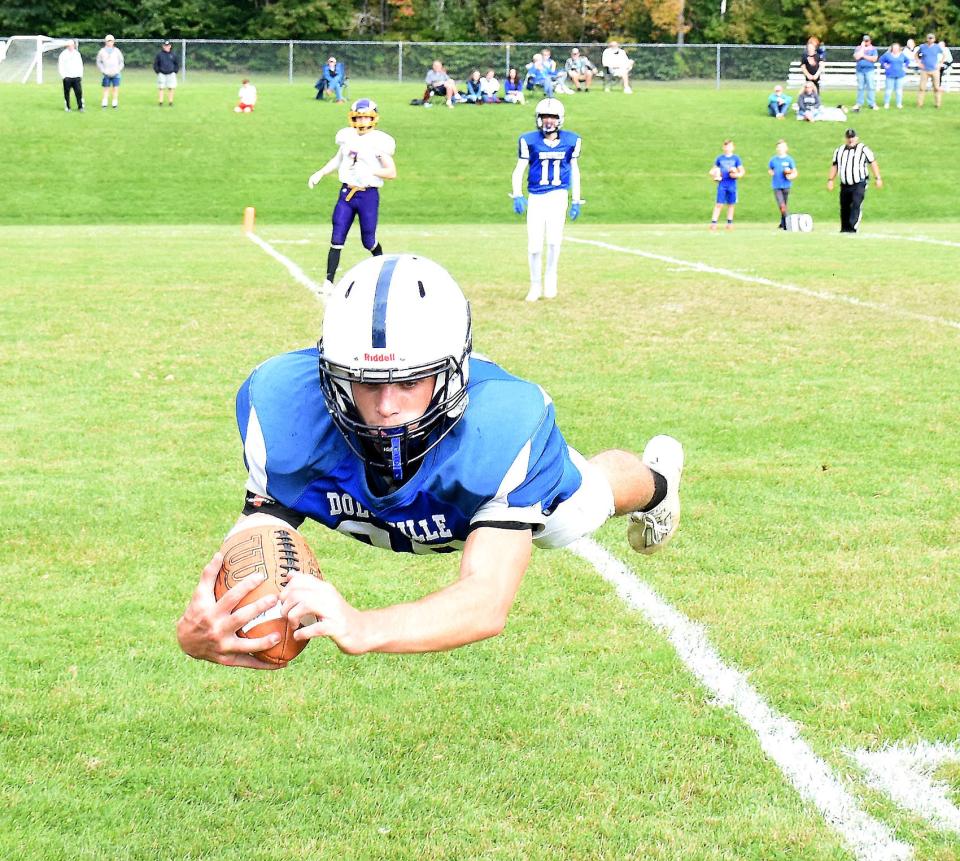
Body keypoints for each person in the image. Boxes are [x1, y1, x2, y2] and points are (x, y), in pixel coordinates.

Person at [175, 252, 685, 666]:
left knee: (592, 495)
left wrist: (364, 626)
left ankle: (659, 485)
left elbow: (485, 600)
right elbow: (257, 531)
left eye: (410, 380)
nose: (386, 406)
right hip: (388, 495)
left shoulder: (503, 427)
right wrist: (204, 630)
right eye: (365, 382)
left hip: (481, 507)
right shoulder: (285, 405)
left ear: (452, 371)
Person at [307, 99, 397, 294]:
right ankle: (328, 281)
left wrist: (374, 170)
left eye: (366, 116)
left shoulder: (379, 142)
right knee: (337, 235)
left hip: (367, 195)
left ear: (373, 118)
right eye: (359, 116)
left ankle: (383, 269)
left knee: (368, 240)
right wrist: (320, 173)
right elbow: (338, 159)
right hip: (346, 193)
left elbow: (391, 172)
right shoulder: (347, 137)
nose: (362, 120)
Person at [510, 98, 583, 302]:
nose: (548, 121)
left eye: (552, 116)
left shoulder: (571, 140)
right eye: (544, 116)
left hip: (559, 196)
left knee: (553, 242)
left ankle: (551, 278)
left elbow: (575, 171)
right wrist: (517, 194)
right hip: (536, 197)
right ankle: (535, 285)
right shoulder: (529, 140)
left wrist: (576, 199)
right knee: (534, 245)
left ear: (560, 119)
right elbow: (519, 170)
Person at [827, 128, 882, 234]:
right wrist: (830, 180)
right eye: (848, 137)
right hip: (845, 183)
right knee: (844, 205)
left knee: (856, 203)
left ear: (856, 138)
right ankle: (844, 228)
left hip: (859, 182)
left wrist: (877, 178)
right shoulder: (839, 150)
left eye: (852, 137)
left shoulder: (863, 149)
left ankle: (853, 227)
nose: (850, 140)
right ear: (845, 138)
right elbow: (835, 165)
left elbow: (873, 162)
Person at [709, 139, 744, 231]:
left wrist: (737, 174)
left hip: (732, 184)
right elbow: (712, 170)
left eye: (729, 146)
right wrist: (715, 176)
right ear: (723, 147)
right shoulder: (720, 158)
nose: (727, 148)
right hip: (722, 184)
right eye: (726, 146)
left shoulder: (736, 158)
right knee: (719, 204)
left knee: (731, 204)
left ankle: (729, 223)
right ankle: (714, 223)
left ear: (733, 147)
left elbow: (742, 171)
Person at [768, 139, 797, 230]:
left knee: (784, 205)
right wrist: (771, 172)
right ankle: (787, 223)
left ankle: (783, 222)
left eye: (782, 147)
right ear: (777, 149)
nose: (780, 149)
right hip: (777, 186)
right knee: (782, 205)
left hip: (786, 185)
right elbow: (770, 169)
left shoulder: (789, 159)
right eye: (779, 147)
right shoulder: (773, 160)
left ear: (786, 148)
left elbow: (794, 172)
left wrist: (791, 176)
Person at [851, 34, 878, 112]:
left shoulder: (873, 49)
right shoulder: (858, 48)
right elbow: (857, 57)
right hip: (860, 70)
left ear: (870, 41)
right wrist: (862, 49)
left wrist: (863, 56)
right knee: (860, 87)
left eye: (867, 41)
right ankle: (859, 103)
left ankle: (872, 103)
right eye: (865, 40)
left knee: (871, 87)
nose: (866, 42)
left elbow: (874, 59)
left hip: (869, 70)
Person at [916, 33, 944, 108]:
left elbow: (944, 55)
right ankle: (919, 104)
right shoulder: (922, 47)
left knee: (936, 88)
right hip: (924, 70)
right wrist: (919, 62)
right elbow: (916, 55)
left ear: (934, 39)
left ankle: (937, 104)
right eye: (929, 38)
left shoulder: (937, 47)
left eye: (932, 38)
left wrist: (940, 63)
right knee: (922, 88)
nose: (930, 39)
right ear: (927, 38)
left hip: (935, 70)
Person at [95, 34, 123, 109]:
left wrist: (118, 70)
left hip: (116, 74)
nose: (110, 43)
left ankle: (114, 103)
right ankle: (104, 103)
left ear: (113, 42)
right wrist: (103, 70)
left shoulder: (117, 51)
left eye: (111, 41)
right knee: (106, 88)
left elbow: (121, 61)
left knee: (115, 88)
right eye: (108, 41)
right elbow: (98, 62)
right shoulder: (102, 51)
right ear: (106, 42)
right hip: (106, 74)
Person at [879, 42, 908, 109]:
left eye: (897, 48)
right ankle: (886, 103)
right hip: (890, 75)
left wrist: (905, 66)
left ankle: (899, 104)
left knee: (899, 91)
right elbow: (881, 60)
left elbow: (907, 61)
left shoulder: (902, 55)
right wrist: (885, 65)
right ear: (892, 48)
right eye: (894, 48)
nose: (895, 49)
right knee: (888, 90)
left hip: (900, 75)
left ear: (899, 48)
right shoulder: (887, 55)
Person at [57, 39, 83, 112]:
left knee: (78, 92)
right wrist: (63, 76)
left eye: (72, 45)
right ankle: (67, 107)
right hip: (67, 77)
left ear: (74, 45)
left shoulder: (77, 54)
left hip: (76, 76)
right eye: (69, 45)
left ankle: (80, 107)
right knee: (67, 92)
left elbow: (80, 65)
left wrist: (80, 75)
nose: (70, 47)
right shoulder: (63, 54)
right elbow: (60, 65)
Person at [153, 40, 179, 107]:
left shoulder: (173, 54)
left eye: (168, 45)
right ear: (163, 46)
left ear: (170, 46)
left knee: (171, 88)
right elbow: (156, 64)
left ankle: (170, 102)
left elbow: (176, 64)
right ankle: (160, 102)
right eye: (165, 46)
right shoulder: (159, 54)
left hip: (171, 74)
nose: (166, 47)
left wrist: (175, 71)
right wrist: (158, 71)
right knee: (161, 88)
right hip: (162, 74)